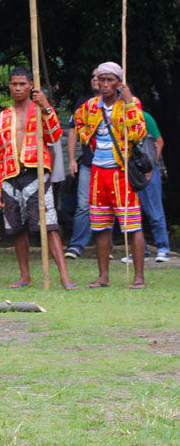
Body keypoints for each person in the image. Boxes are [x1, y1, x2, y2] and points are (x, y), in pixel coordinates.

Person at [0, 67, 77, 290]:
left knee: (49, 225)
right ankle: (25, 275)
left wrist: (46, 106)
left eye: (22, 84)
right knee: (16, 228)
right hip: (10, 176)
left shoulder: (39, 110)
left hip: (35, 173)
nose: (17, 88)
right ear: (9, 86)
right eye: (13, 84)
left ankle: (65, 277)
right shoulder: (3, 117)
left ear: (30, 85)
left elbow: (55, 134)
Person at [73, 61, 147, 289]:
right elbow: (78, 120)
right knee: (100, 225)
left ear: (118, 83)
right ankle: (103, 275)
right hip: (97, 172)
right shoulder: (92, 105)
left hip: (121, 172)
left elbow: (138, 133)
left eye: (109, 80)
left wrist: (128, 101)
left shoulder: (130, 103)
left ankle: (139, 277)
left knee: (132, 225)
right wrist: (90, 140)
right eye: (101, 79)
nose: (104, 84)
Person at [122, 97, 170, 263]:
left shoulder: (145, 117)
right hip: (128, 170)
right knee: (133, 212)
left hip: (146, 169)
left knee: (154, 210)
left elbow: (159, 142)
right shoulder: (118, 118)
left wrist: (150, 167)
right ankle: (140, 250)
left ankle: (163, 248)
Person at [65, 69, 101, 259]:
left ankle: (107, 246)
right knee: (83, 205)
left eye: (100, 76)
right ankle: (76, 245)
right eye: (93, 76)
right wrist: (72, 159)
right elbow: (73, 131)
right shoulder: (84, 103)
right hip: (88, 162)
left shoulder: (120, 103)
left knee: (112, 205)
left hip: (113, 164)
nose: (95, 79)